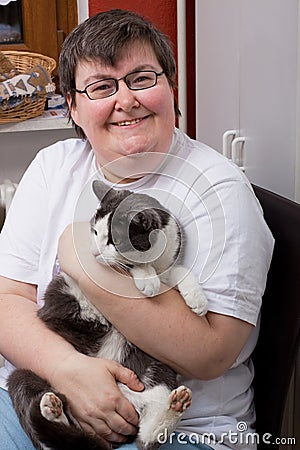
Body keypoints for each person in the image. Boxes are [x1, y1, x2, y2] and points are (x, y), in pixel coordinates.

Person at [0, 9, 274, 450]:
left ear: (171, 86)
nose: (125, 100)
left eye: (142, 78)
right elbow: (7, 299)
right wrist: (67, 369)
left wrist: (82, 260)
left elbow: (211, 354)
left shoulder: (220, 190)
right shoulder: (54, 167)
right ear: (72, 104)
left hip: (183, 427)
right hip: (46, 391)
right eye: (101, 87)